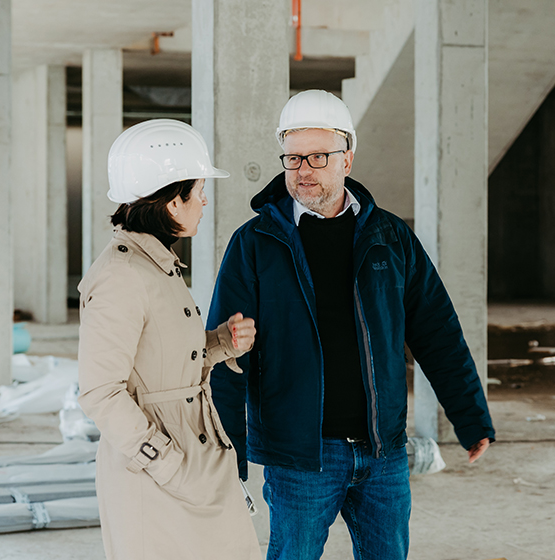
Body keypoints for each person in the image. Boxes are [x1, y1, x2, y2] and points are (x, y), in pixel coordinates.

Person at [206, 89, 495, 560]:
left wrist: (469, 414)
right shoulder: (255, 243)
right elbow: (225, 354)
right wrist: (228, 454)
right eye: (293, 157)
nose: (303, 170)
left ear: (348, 158)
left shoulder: (389, 237)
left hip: (382, 451)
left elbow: (436, 328)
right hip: (300, 457)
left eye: (318, 156)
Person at [78, 119, 262, 560]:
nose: (203, 201)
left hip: (195, 454)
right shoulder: (122, 275)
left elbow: (162, 364)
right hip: (158, 472)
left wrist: (219, 343)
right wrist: (167, 464)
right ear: (171, 201)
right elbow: (101, 392)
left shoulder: (157, 264)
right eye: (198, 190)